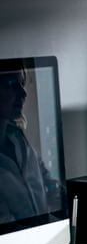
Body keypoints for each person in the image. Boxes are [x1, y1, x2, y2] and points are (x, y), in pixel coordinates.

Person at [0, 64, 55, 224]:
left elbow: (50, 184)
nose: (23, 93)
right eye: (11, 85)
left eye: (22, 84)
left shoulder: (20, 140)